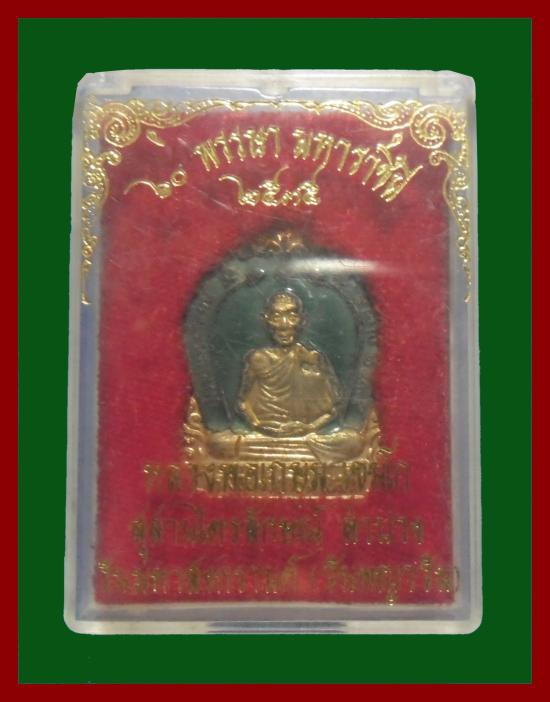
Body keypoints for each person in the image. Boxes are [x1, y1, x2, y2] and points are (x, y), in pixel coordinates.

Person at [238, 291, 342, 436]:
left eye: (292, 317)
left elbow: (333, 409)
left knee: (351, 440)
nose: (284, 325)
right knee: (221, 442)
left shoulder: (311, 359)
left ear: (303, 320)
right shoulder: (258, 359)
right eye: (276, 317)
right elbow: (243, 402)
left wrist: (310, 427)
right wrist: (257, 424)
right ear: (265, 319)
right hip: (264, 434)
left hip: (307, 435)